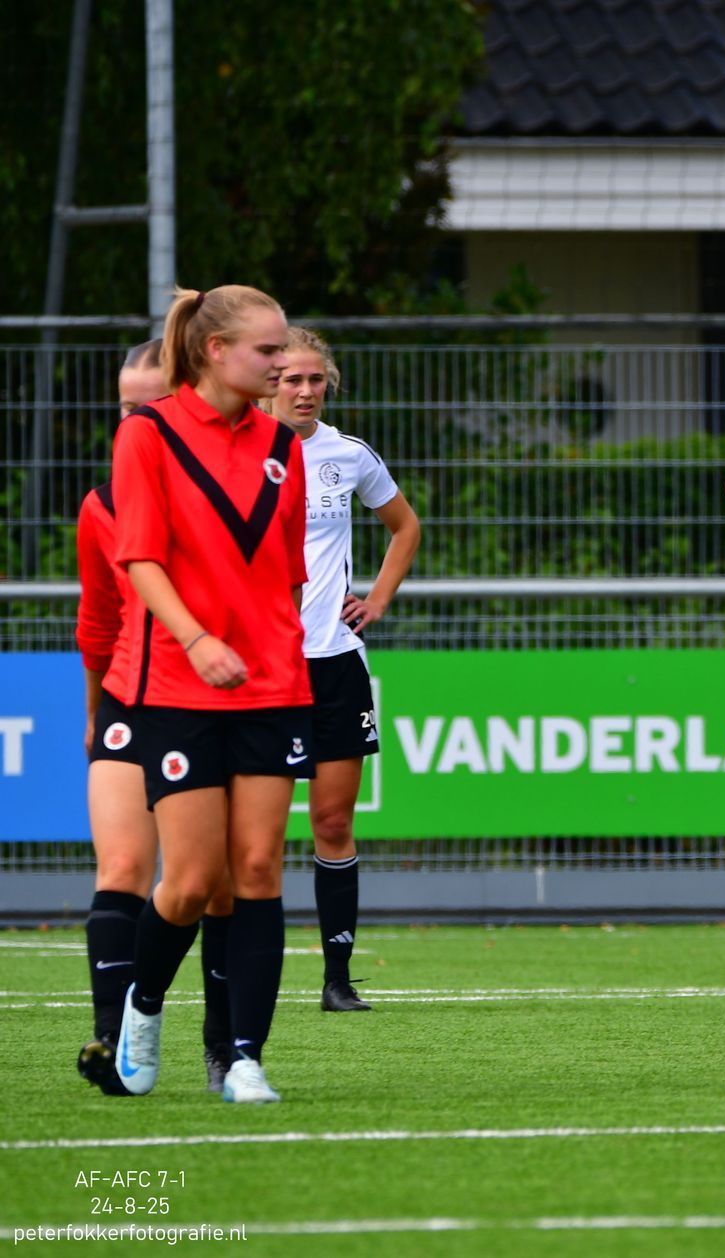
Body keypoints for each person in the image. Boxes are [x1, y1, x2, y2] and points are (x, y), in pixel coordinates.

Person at [94, 285, 312, 1104]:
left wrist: (279, 652)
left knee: (257, 868)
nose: (284, 363)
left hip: (273, 686)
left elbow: (286, 573)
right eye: (269, 350)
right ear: (216, 351)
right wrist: (196, 638)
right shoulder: (147, 434)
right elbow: (139, 559)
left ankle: (245, 1057)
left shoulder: (283, 445)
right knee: (189, 882)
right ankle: (143, 1007)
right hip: (182, 686)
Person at [75, 340, 237, 1097]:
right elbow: (98, 620)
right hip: (129, 699)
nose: (133, 422)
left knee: (212, 885)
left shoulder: (229, 487)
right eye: (124, 408)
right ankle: (116, 1043)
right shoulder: (101, 505)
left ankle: (225, 1048)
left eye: (148, 406)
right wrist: (94, 710)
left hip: (210, 701)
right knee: (122, 870)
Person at [269, 327, 420, 1012]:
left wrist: (378, 600)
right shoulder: (239, 453)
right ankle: (245, 975)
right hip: (264, 670)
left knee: (332, 822)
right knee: (256, 838)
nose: (304, 391)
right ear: (267, 384)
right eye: (290, 379)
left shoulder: (348, 455)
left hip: (334, 663)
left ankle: (337, 979)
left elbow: (405, 526)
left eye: (315, 379)